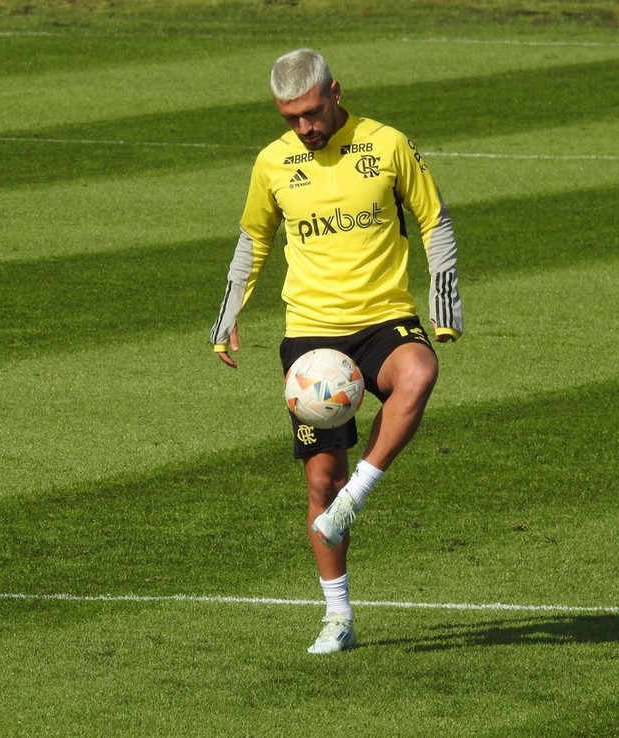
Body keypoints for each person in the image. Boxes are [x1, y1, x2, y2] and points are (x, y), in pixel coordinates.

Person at [210, 48, 463, 654]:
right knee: (321, 478)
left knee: (420, 371)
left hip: (384, 319)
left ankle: (358, 498)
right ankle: (338, 615)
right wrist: (227, 314)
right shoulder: (272, 163)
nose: (304, 127)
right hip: (311, 337)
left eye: (312, 112)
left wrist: (444, 305)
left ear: (335, 91)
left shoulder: (388, 145)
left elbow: (435, 221)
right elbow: (254, 238)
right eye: (290, 117)